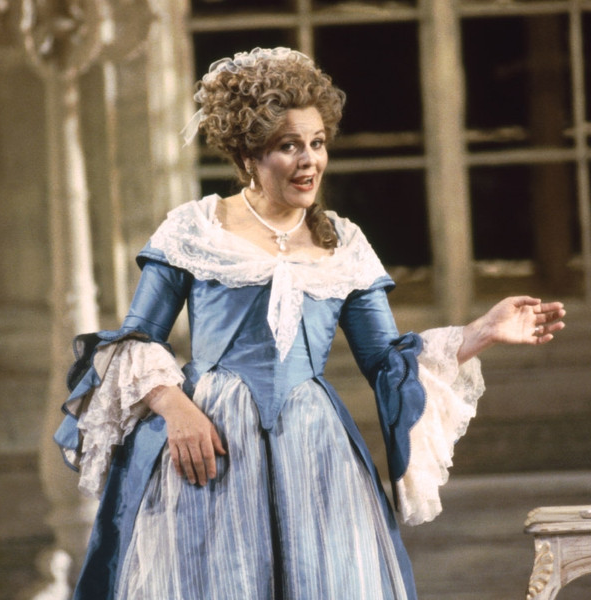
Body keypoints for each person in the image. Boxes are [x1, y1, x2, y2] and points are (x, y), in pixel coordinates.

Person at [54, 47, 565, 600]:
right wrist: (176, 410)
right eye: (288, 146)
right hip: (210, 446)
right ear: (248, 155)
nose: (309, 161)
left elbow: (386, 360)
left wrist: (481, 332)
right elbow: (134, 341)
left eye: (317, 143)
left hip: (316, 453)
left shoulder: (343, 242)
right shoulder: (195, 228)